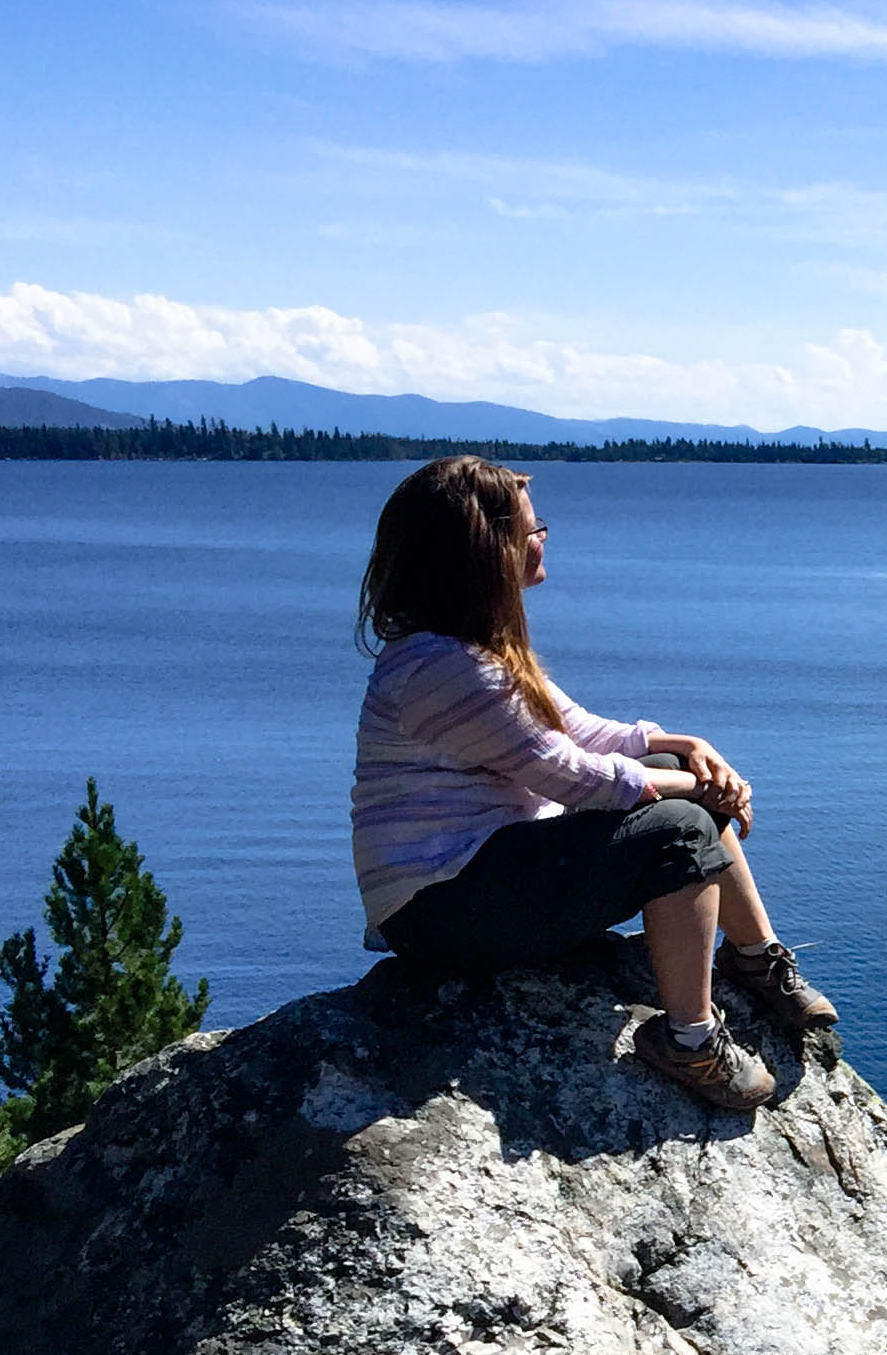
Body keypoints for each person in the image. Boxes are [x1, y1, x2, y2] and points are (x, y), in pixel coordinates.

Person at [350, 455, 834, 1111]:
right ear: (485, 551)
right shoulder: (445, 672)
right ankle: (689, 1041)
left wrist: (688, 749)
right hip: (439, 911)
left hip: (475, 883)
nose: (542, 539)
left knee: (671, 786)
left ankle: (755, 957)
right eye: (529, 531)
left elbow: (582, 732)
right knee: (680, 830)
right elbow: (572, 776)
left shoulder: (468, 650)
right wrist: (702, 790)